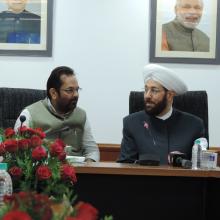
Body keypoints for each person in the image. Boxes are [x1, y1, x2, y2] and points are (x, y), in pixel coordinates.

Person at [118, 64, 205, 165]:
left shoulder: (194, 125)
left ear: (169, 95)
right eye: (146, 89)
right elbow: (125, 165)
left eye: (154, 90)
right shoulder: (132, 123)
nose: (147, 96)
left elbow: (201, 168)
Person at [14, 66, 100, 162]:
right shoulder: (29, 114)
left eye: (77, 89)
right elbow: (18, 151)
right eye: (70, 90)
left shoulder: (81, 115)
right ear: (53, 93)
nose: (76, 94)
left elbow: (92, 151)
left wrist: (88, 165)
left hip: (77, 171)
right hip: (43, 171)